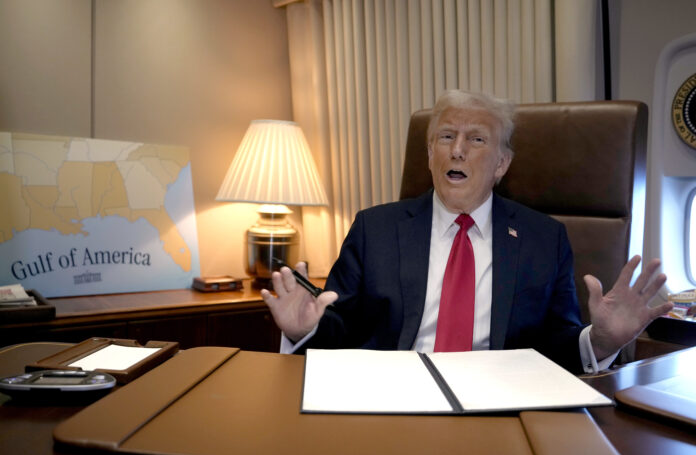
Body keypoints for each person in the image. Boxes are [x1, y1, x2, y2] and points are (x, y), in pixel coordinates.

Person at [261, 89, 673, 374]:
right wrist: (305, 330)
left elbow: (555, 347)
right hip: (391, 400)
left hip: (496, 406)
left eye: (476, 139)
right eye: (446, 137)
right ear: (429, 154)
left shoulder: (543, 239)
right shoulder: (376, 229)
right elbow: (341, 329)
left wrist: (600, 342)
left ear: (501, 164)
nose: (457, 149)